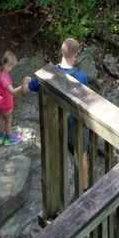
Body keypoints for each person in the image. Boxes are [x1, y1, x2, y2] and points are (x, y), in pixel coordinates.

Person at [27, 39, 89, 185]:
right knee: (82, 155)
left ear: (62, 52)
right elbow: (86, 100)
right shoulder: (81, 77)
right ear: (76, 54)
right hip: (74, 123)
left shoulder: (48, 73)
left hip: (54, 124)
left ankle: (59, 183)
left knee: (60, 154)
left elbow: (31, 86)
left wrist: (24, 83)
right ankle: (85, 188)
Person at [0, 50, 26, 146]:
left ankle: (1, 136)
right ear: (4, 63)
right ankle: (9, 138)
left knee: (1, 118)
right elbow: (13, 92)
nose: (11, 68)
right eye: (10, 66)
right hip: (6, 102)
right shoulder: (4, 77)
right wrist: (23, 86)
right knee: (8, 120)